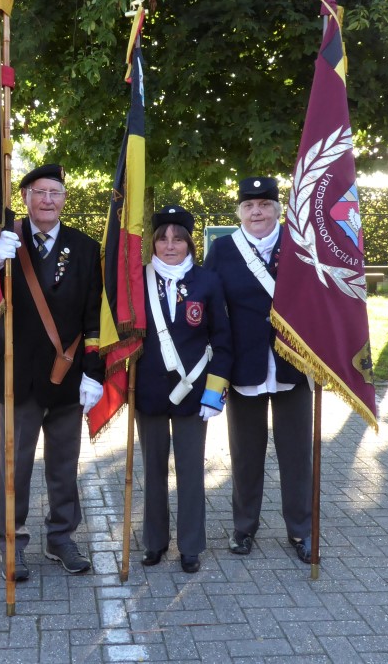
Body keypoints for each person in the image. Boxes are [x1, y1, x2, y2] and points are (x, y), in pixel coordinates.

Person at [0, 162, 105, 581]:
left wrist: (95, 371)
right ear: (26, 198)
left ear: (64, 199)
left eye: (56, 192)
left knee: (64, 462)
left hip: (66, 373)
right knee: (15, 465)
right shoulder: (3, 242)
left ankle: (61, 537)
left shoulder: (85, 247)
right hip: (18, 374)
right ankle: (11, 542)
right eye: (40, 192)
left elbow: (94, 315)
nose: (48, 200)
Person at [203, 176, 314, 563]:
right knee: (246, 453)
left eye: (264, 205)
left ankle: (301, 530)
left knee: (297, 454)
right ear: (239, 212)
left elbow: (320, 300)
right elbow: (213, 310)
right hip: (243, 365)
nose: (257, 212)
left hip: (293, 366)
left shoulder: (300, 246)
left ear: (277, 210)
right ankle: (244, 528)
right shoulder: (222, 251)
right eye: (249, 206)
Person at [135, 205, 231, 574]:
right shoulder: (138, 280)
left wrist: (216, 392)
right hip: (149, 391)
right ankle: (154, 542)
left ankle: (191, 545)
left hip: (195, 393)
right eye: (162, 238)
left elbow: (223, 341)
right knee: (153, 469)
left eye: (178, 238)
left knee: (191, 471)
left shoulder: (207, 281)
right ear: (153, 243)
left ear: (189, 242)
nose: (170, 245)